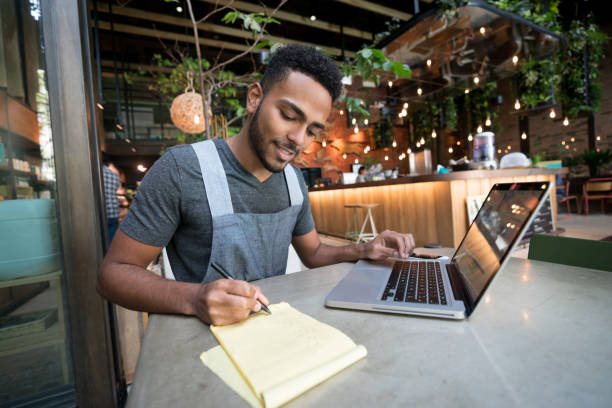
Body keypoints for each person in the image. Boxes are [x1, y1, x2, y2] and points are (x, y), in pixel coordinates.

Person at [97, 44, 415, 327]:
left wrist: (364, 249)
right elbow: (112, 275)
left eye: (312, 131)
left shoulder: (293, 181)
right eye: (289, 115)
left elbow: (313, 252)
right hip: (199, 351)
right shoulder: (183, 170)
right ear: (254, 98)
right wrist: (195, 298)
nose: (298, 139)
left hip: (271, 332)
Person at [102, 152, 120, 242]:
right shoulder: (114, 175)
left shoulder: (94, 175)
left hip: (101, 211)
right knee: (112, 240)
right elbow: (115, 190)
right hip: (113, 211)